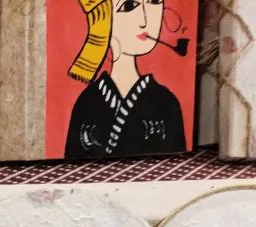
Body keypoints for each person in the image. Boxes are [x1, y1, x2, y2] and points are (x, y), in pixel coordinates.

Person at [64, 0, 186, 159]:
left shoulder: (166, 103)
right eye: (129, 6)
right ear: (103, 19)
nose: (144, 21)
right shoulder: (86, 103)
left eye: (154, 1)